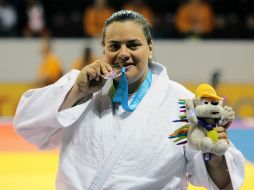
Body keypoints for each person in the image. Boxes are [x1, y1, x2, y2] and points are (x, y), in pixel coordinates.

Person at [14, 10, 244, 190]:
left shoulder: (181, 102)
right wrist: (77, 92)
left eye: (133, 45)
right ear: (104, 49)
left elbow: (223, 183)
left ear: (150, 47)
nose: (123, 53)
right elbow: (27, 124)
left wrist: (214, 159)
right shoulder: (81, 88)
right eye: (114, 46)